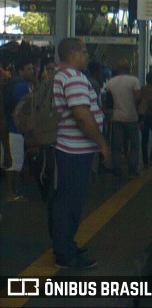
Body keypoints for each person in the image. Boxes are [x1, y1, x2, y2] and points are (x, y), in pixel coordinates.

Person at [51, 37, 111, 269]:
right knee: (70, 203)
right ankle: (65, 254)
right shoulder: (73, 78)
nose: (87, 56)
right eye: (84, 52)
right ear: (73, 54)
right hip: (74, 151)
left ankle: (65, 245)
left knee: (64, 201)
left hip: (66, 149)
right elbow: (83, 117)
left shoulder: (58, 76)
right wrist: (102, 144)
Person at [4, 60, 36, 202]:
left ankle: (13, 190)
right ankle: (10, 193)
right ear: (21, 71)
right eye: (28, 69)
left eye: (32, 68)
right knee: (12, 162)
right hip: (14, 129)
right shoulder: (22, 86)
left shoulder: (16, 84)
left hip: (13, 128)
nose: (32, 71)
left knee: (15, 160)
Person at [104, 59, 141, 177]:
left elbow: (107, 101)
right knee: (135, 144)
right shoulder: (134, 80)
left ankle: (117, 168)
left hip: (117, 117)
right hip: (131, 117)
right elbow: (138, 98)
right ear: (129, 68)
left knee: (116, 145)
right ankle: (132, 168)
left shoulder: (110, 82)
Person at [138, 71, 152, 169]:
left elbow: (137, 101)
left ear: (146, 79)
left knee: (144, 139)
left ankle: (145, 162)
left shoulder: (142, 89)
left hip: (142, 116)